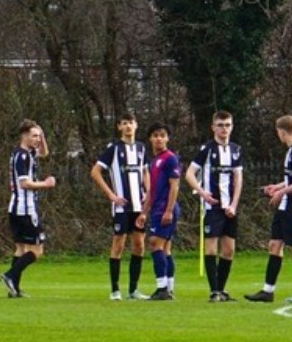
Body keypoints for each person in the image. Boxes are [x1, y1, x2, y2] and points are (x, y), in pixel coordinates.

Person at [245, 115, 292, 303]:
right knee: (274, 245)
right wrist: (277, 186)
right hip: (285, 206)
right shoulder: (291, 151)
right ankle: (268, 291)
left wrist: (282, 192)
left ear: (281, 132)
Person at [90, 112, 150, 300]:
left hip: (138, 206)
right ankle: (115, 290)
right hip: (121, 206)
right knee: (118, 244)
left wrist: (148, 192)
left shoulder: (141, 148)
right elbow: (95, 171)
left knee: (139, 245)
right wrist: (111, 195)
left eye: (131, 122)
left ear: (136, 125)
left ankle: (133, 290)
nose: (128, 126)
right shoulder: (114, 149)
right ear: (119, 127)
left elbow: (145, 172)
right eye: (124, 123)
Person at [185, 111, 244, 302]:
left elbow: (238, 178)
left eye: (227, 125)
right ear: (213, 128)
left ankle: (222, 289)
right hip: (212, 207)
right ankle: (214, 291)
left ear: (232, 127)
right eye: (220, 125)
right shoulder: (207, 149)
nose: (224, 128)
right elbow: (189, 174)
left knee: (229, 250)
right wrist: (202, 193)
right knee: (211, 248)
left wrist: (234, 205)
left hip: (229, 207)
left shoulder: (236, 150)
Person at [1, 120, 55, 298]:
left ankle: (13, 289)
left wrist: (42, 135)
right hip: (25, 209)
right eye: (34, 136)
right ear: (24, 136)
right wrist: (45, 184)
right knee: (37, 251)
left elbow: (45, 153)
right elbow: (24, 183)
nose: (38, 139)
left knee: (21, 249)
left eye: (39, 136)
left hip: (15, 208)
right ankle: (9, 275)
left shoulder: (26, 152)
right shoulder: (22, 157)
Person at [139, 123, 182, 301]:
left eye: (162, 135)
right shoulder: (153, 161)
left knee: (155, 244)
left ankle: (162, 288)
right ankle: (169, 288)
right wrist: (143, 212)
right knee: (165, 249)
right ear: (150, 138)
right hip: (157, 208)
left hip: (165, 209)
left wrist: (169, 210)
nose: (159, 138)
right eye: (155, 135)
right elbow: (151, 190)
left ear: (167, 138)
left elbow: (174, 186)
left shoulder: (170, 158)